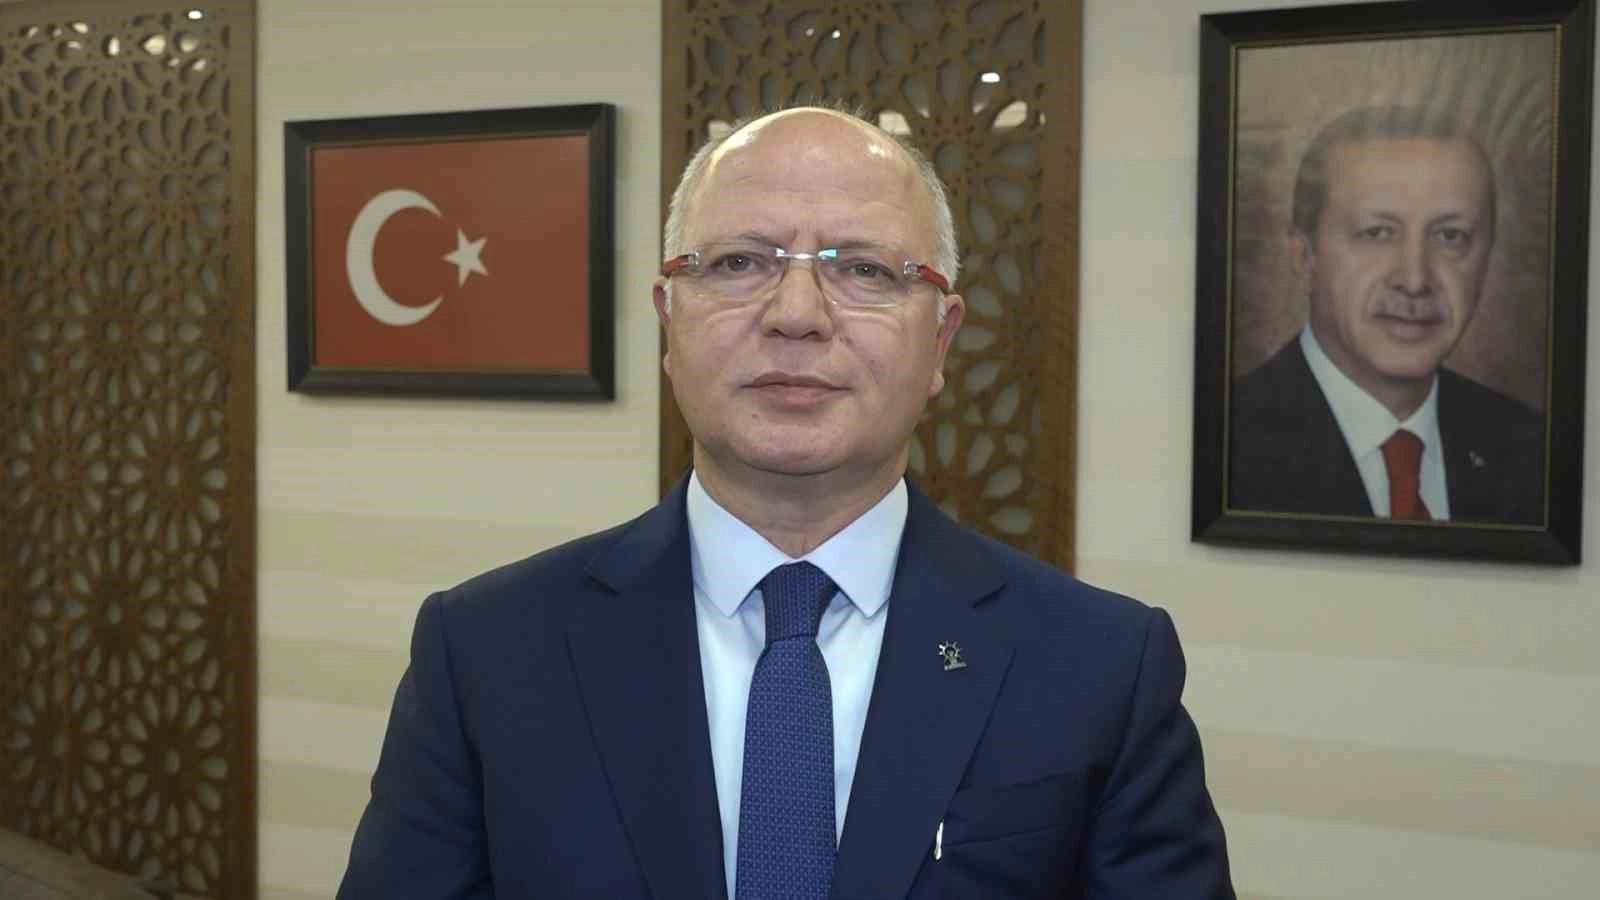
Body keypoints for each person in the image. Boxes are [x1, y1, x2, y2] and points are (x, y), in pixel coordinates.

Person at [338, 106, 1234, 899]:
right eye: (739, 262)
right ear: (669, 320)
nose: (796, 313)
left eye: (866, 271)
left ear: (941, 341)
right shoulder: (485, 652)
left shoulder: (1102, 668)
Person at [1231, 105, 1545, 524]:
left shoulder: (1533, 451)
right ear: (1304, 256)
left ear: (1487, 257)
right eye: (1377, 233)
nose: (1415, 280)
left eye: (1451, 236)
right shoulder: (1226, 442)